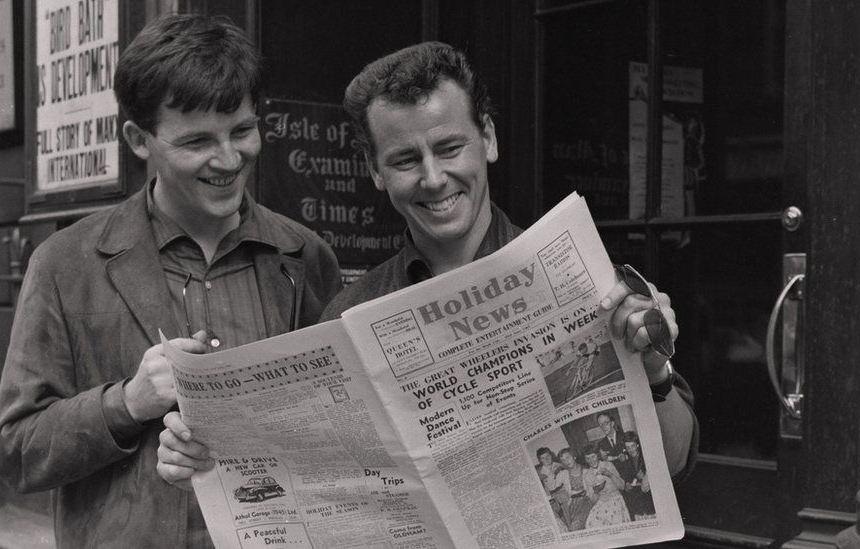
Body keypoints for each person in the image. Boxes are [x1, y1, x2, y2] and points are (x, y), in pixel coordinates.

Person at [156, 40, 697, 499]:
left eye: (449, 147)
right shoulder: (348, 315)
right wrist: (208, 461)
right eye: (406, 160)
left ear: (487, 138)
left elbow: (671, 464)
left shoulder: (590, 281)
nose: (434, 178)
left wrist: (653, 371)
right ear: (374, 170)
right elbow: (309, 481)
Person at [0, 14, 341, 548]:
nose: (228, 159)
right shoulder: (65, 264)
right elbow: (15, 452)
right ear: (138, 139)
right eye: (197, 141)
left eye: (242, 131)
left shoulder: (305, 257)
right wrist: (126, 403)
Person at [582, 443, 631, 528]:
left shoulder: (608, 465)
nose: (591, 461)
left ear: (597, 455)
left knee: (614, 521)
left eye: (593, 456)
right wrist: (596, 491)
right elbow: (593, 500)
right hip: (601, 502)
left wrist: (610, 475)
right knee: (590, 523)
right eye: (588, 458)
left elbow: (622, 486)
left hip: (616, 499)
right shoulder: (587, 475)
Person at [620, 430, 657, 520]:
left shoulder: (646, 457)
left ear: (637, 445)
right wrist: (627, 484)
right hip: (637, 502)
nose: (631, 450)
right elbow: (628, 479)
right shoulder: (627, 461)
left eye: (633, 446)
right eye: (628, 447)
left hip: (651, 500)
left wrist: (644, 477)